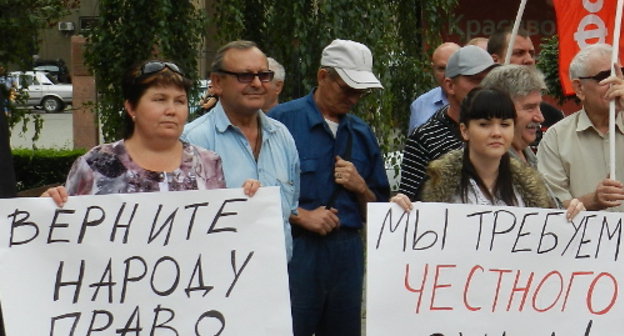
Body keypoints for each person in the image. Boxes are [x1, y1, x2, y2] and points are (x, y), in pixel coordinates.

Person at [270, 39, 390, 336]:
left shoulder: (362, 134)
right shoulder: (279, 123)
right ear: (323, 76)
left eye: (360, 92)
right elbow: (257, 193)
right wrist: (300, 216)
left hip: (347, 251)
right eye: (347, 89)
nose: (353, 98)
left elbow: (380, 214)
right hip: (295, 248)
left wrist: (361, 187)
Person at [43, 60, 260, 205]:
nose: (171, 110)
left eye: (180, 101)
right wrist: (47, 206)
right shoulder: (96, 163)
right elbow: (65, 236)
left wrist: (247, 202)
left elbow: (220, 233)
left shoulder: (208, 163)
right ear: (131, 108)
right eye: (159, 99)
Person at [182, 40, 300, 260]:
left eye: (264, 75)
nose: (257, 83)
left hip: (277, 281)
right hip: (218, 281)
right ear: (217, 82)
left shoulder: (282, 137)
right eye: (244, 76)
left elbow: (290, 209)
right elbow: (184, 225)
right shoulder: (193, 140)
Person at [392, 88, 584, 220]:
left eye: (505, 124)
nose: (496, 133)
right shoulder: (436, 184)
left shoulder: (533, 187)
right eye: (484, 124)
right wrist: (399, 210)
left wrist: (574, 214)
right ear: (464, 131)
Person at [399, 45, 496, 201]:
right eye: (475, 80)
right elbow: (408, 200)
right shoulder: (424, 138)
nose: (483, 87)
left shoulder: (503, 132)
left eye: (488, 79)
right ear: (450, 85)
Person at [538, 44, 624, 212]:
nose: (616, 82)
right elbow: (549, 207)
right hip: (586, 237)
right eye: (605, 76)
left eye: (621, 73)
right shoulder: (557, 137)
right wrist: (592, 201)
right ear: (579, 88)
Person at [487, 26, 564, 146]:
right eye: (519, 53)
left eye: (532, 54)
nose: (529, 60)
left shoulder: (552, 115)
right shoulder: (482, 110)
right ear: (495, 60)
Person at [481, 64, 545, 167]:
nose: (540, 118)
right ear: (498, 108)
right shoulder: (488, 167)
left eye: (538, 107)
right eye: (530, 108)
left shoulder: (527, 155)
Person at [408, 42, 460, 134]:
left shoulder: (478, 101)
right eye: (441, 68)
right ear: (433, 69)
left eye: (453, 67)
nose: (448, 74)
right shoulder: (420, 105)